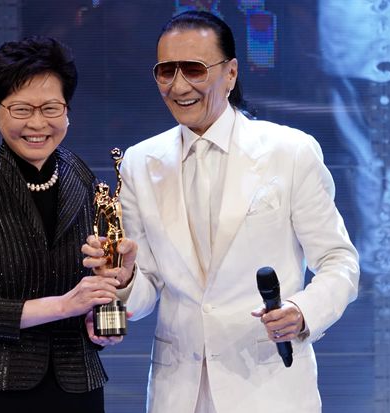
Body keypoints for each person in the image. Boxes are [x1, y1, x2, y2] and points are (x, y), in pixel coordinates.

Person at [83, 10, 360, 413]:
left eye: (194, 70)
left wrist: (302, 312)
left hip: (269, 388)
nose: (179, 86)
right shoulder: (139, 162)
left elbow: (339, 261)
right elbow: (145, 292)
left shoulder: (290, 152)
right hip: (177, 393)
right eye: (166, 72)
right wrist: (124, 279)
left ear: (230, 73)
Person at [0, 35, 122, 413]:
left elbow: (99, 279)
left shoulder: (87, 182)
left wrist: (101, 317)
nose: (37, 123)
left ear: (67, 112)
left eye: (51, 108)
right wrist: (65, 305)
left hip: (77, 383)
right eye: (21, 109)